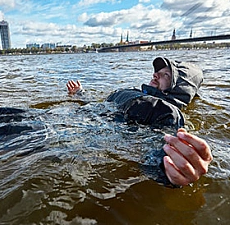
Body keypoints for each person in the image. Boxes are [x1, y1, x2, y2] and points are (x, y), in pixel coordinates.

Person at [66, 57, 213, 186]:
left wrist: (176, 170)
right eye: (157, 72)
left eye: (165, 75)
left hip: (78, 133)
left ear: (180, 88)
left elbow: (160, 149)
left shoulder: (165, 110)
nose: (155, 75)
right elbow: (100, 107)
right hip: (82, 121)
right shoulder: (138, 94)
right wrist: (80, 94)